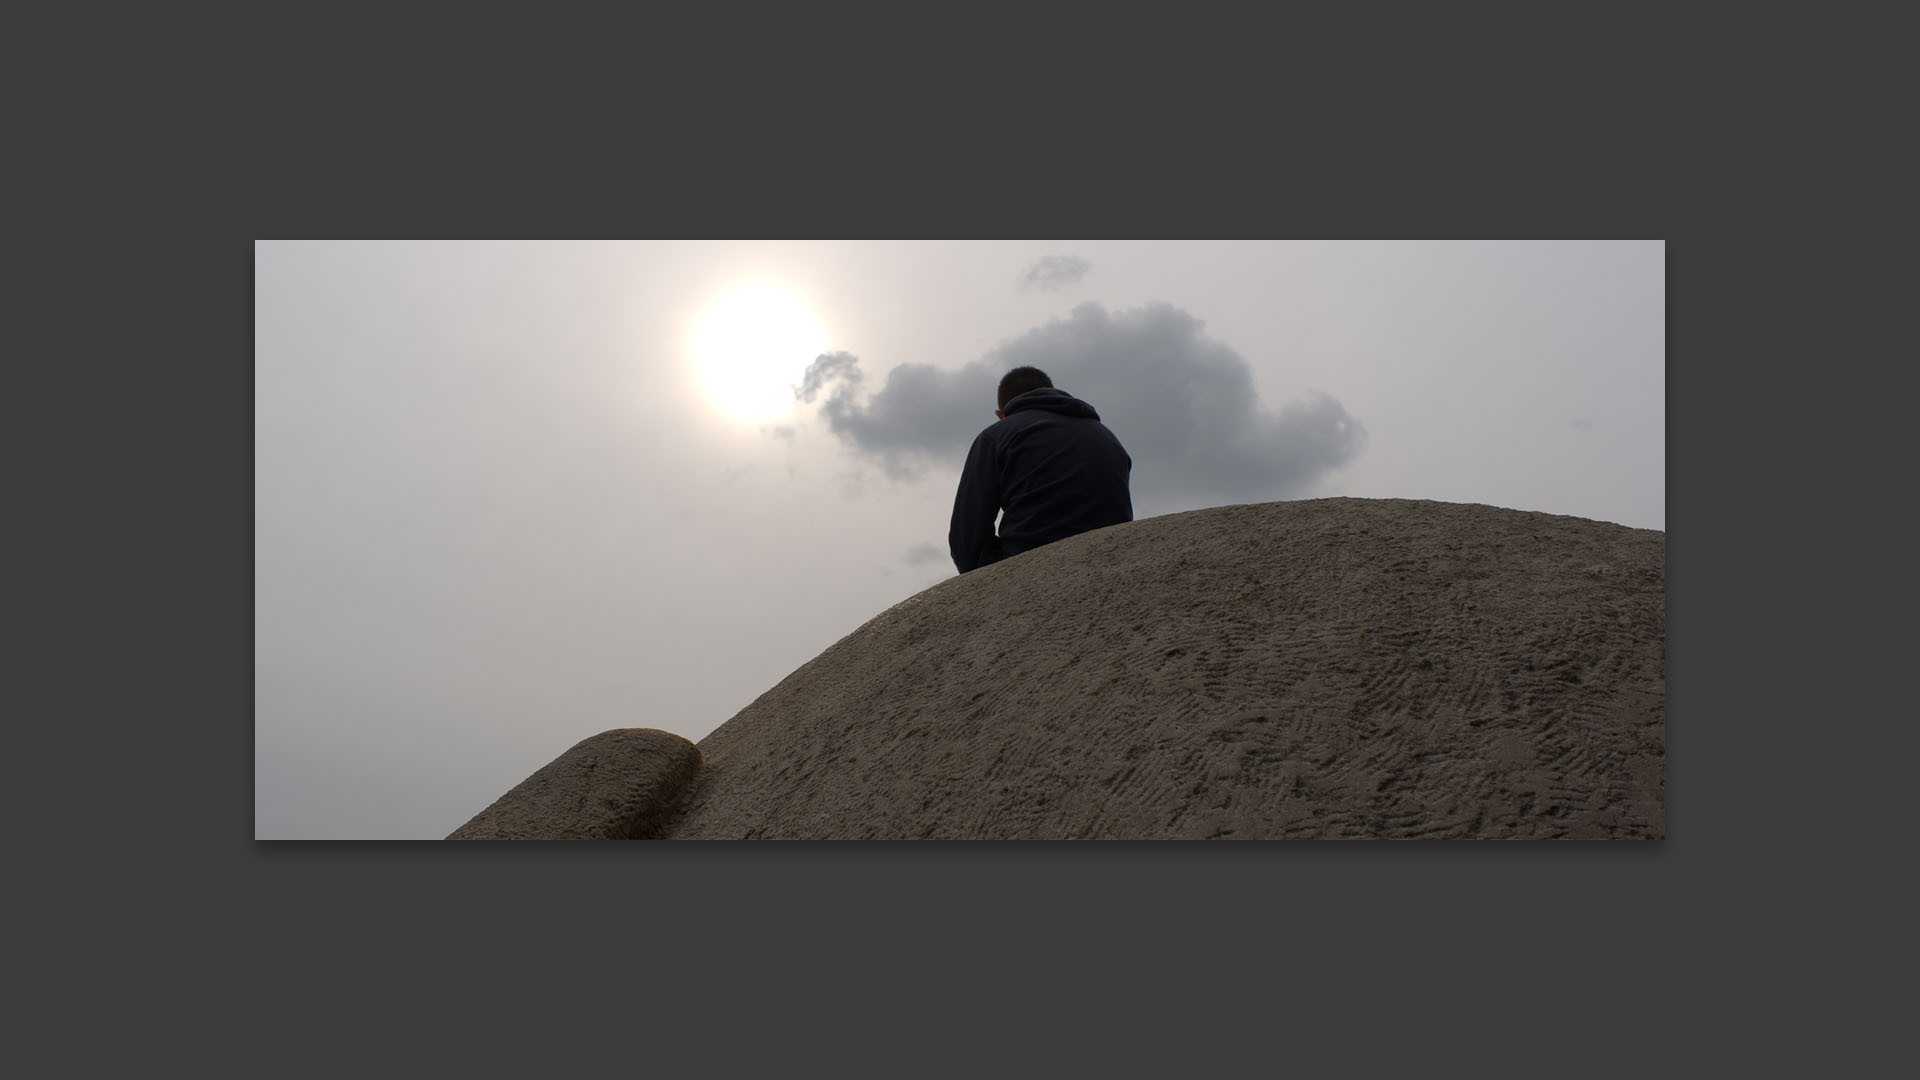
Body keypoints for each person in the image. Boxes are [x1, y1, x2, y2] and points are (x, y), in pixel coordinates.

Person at [948, 366, 1133, 573]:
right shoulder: (1108, 437)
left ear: (1001, 414)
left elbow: (966, 539)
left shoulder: (996, 436)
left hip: (1029, 564)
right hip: (1114, 558)